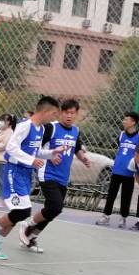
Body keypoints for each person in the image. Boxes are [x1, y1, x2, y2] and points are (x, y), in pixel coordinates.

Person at [0, 97, 62, 261]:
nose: (54, 118)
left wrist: (51, 154)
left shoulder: (41, 129)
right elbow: (11, 148)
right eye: (53, 114)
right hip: (14, 171)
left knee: (18, 212)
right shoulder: (25, 126)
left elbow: (35, 152)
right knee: (22, 211)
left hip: (26, 173)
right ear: (45, 111)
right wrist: (31, 160)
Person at [19, 99, 91, 252]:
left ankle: (31, 237)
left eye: (72, 113)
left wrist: (83, 158)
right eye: (66, 112)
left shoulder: (75, 131)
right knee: (55, 206)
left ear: (76, 114)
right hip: (47, 173)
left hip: (63, 177)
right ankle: (27, 224)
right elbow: (36, 147)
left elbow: (77, 148)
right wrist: (50, 155)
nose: (69, 116)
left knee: (53, 210)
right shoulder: (50, 128)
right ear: (60, 113)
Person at [96, 112, 139, 229]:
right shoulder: (121, 134)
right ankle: (106, 216)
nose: (123, 121)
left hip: (129, 172)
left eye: (126, 119)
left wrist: (138, 169)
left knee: (126, 196)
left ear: (133, 122)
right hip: (117, 170)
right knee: (111, 195)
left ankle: (123, 217)